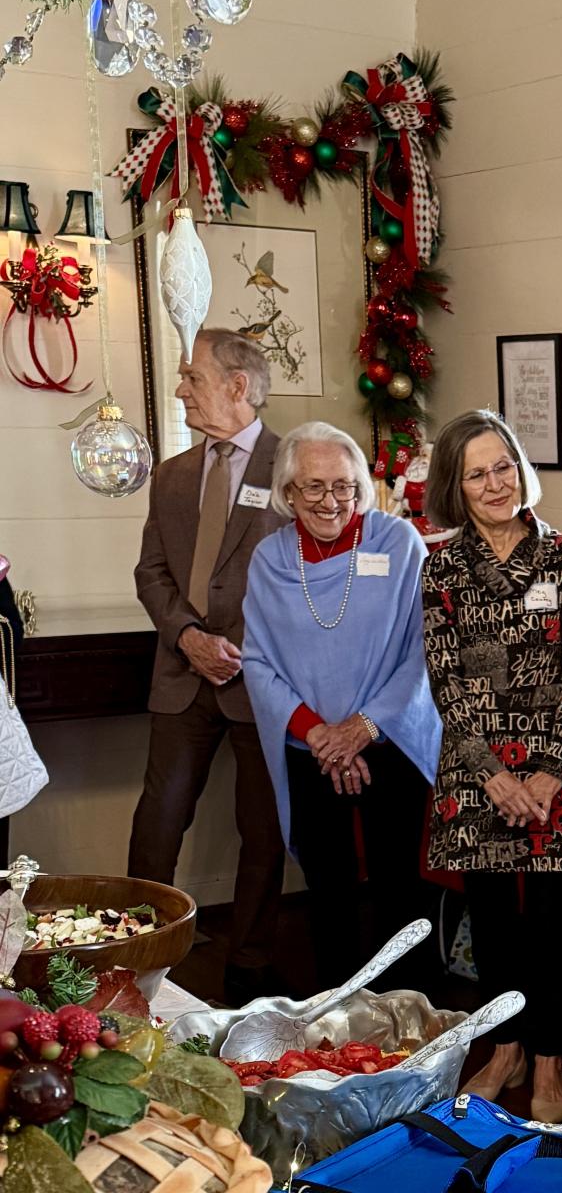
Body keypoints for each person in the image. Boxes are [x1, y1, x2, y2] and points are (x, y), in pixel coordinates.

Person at [421, 409, 562, 1124]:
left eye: (503, 466)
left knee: (554, 923)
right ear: (455, 486)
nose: (495, 483)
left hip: (555, 767)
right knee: (494, 922)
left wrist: (548, 771)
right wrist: (491, 775)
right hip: (478, 774)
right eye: (477, 474)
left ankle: (552, 1053)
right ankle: (506, 1049)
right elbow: (445, 680)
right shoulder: (442, 566)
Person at [241, 421, 441, 994]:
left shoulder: (398, 543)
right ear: (289, 491)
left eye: (344, 486)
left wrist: (362, 727)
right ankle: (338, 1013)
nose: (331, 501)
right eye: (314, 486)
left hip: (390, 744)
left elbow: (422, 652)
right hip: (310, 751)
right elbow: (257, 661)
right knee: (328, 891)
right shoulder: (270, 558)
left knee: (400, 888)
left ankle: (412, 1012)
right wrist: (320, 735)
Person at [129, 329, 286, 1005]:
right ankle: (134, 962)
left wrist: (242, 648)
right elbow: (151, 572)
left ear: (237, 385)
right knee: (158, 823)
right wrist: (188, 635)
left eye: (192, 377)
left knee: (264, 832)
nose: (181, 389)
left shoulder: (294, 465)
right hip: (182, 674)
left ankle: (249, 974)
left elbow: (310, 577)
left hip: (264, 681)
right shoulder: (172, 476)